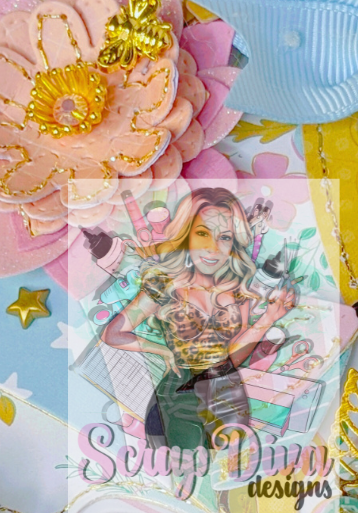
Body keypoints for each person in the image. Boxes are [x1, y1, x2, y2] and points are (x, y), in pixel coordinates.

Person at [102, 188, 295, 450]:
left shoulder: (238, 287)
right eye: (203, 233)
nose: (213, 248)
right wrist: (162, 350)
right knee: (183, 460)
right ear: (186, 235)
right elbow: (113, 334)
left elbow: (233, 357)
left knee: (229, 461)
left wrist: (269, 318)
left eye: (224, 237)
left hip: (226, 394)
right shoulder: (164, 284)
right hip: (179, 395)